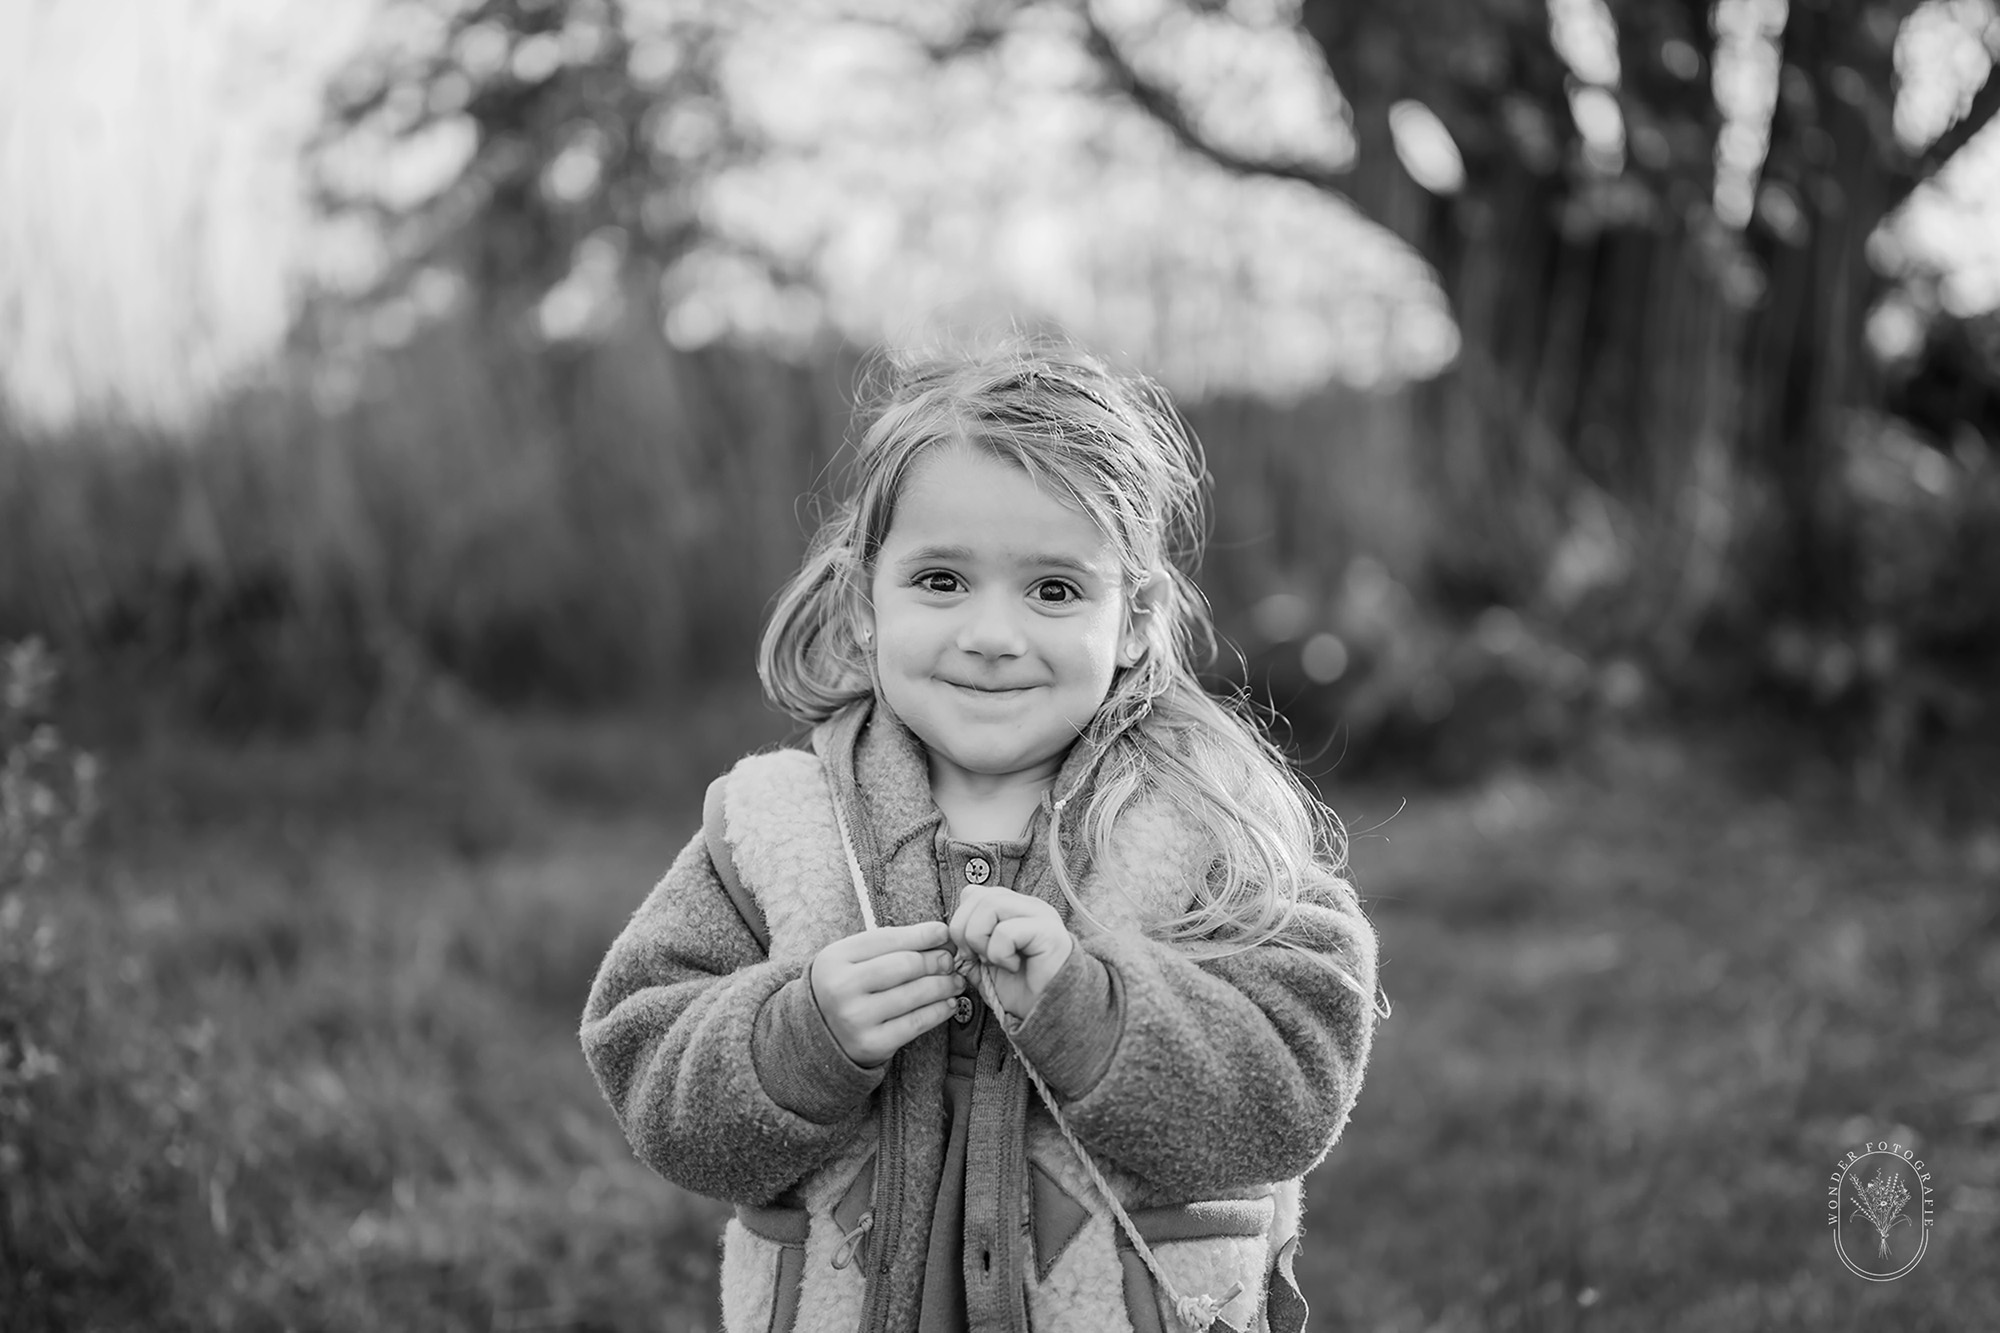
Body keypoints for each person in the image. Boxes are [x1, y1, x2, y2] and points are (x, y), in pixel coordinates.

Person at [580, 338, 1381, 1333]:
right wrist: (799, 1037)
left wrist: (1096, 1016)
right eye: (941, 581)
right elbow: (643, 1059)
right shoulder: (773, 829)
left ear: (1132, 619)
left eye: (1052, 589)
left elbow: (1297, 1077)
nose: (992, 634)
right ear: (860, 603)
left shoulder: (1205, 830)